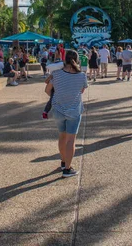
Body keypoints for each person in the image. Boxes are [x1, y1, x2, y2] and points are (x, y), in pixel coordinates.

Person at [45, 50, 88, 178]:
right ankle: (67, 169)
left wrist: (57, 96)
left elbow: (47, 90)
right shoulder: (82, 76)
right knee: (71, 140)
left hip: (58, 110)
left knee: (62, 136)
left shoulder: (56, 74)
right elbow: (81, 91)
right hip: (74, 110)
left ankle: (63, 162)